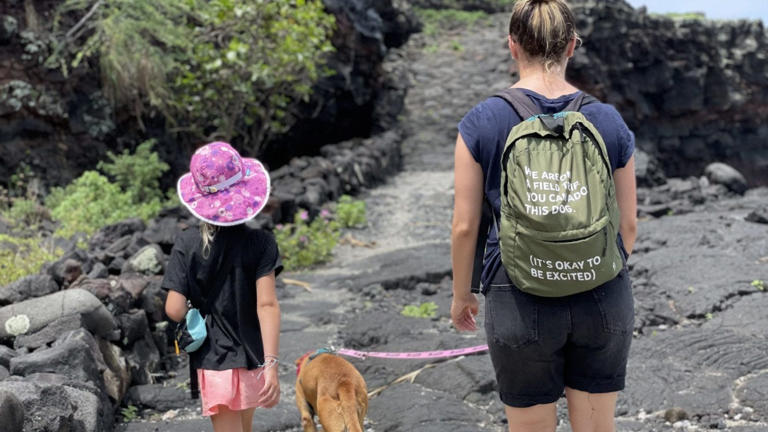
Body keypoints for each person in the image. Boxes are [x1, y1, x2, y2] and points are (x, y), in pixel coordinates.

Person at [450, 0, 638, 431]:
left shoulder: (481, 122)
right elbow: (627, 225)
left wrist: (464, 295)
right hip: (602, 295)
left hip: (519, 295)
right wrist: (592, 267)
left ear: (513, 46)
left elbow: (465, 227)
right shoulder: (608, 121)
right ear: (572, 46)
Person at [164, 142, 283, 432]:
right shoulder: (262, 242)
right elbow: (266, 305)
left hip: (214, 359)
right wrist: (272, 364)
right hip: (254, 356)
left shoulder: (187, 243)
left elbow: (175, 310)